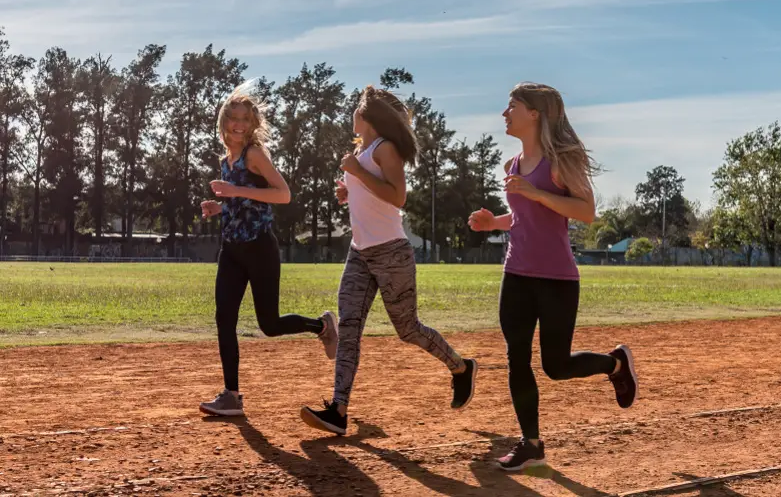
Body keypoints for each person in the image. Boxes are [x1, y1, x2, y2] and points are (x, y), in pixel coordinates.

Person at [468, 82, 638, 471]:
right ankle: (531, 444)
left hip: (557, 278)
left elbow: (586, 211)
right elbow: (524, 217)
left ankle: (615, 364)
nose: (504, 113)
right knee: (517, 359)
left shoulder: (562, 160)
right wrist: (494, 221)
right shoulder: (512, 166)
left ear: (535, 114)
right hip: (516, 274)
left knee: (556, 366)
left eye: (511, 106)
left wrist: (536, 193)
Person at [300, 86, 478, 435]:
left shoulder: (385, 148)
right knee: (349, 328)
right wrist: (349, 191)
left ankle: (460, 367)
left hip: (391, 253)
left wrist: (359, 175)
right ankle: (338, 409)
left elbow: (398, 197)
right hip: (360, 251)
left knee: (408, 329)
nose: (351, 113)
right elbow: (373, 192)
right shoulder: (363, 150)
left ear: (366, 115)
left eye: (356, 108)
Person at [198, 81, 338, 417]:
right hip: (231, 249)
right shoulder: (227, 160)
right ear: (224, 120)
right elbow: (242, 200)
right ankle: (231, 395)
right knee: (224, 318)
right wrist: (221, 206)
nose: (239, 124)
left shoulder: (254, 155)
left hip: (260, 248)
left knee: (269, 324)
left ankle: (322, 326)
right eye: (233, 117)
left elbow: (282, 195)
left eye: (245, 118)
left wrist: (234, 191)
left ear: (253, 123)